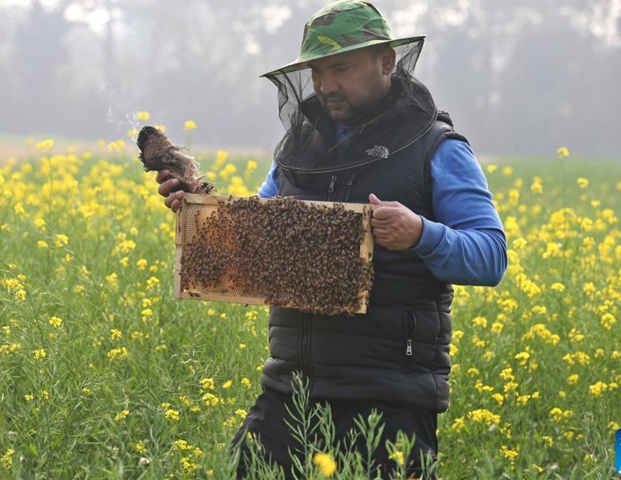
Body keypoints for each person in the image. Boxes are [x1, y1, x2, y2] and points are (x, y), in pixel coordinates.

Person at [156, 1, 507, 478]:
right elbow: (255, 239)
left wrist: (422, 233)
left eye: (340, 68)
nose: (325, 85)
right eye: (317, 71)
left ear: (386, 61)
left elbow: (490, 257)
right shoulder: (298, 151)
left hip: (388, 400)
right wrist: (200, 207)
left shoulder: (438, 148)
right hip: (291, 392)